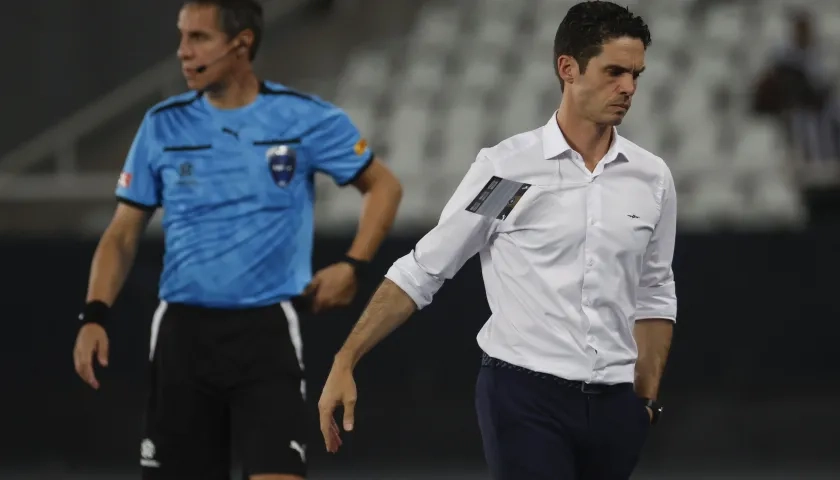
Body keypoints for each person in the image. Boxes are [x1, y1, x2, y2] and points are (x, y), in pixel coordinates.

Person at [317, 2, 676, 479]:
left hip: (616, 406)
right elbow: (425, 269)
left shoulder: (651, 177)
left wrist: (644, 402)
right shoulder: (510, 173)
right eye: (614, 72)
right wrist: (346, 358)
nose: (628, 88)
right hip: (525, 398)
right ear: (567, 68)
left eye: (636, 74)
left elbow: (654, 291)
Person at [71, 1, 403, 479]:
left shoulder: (303, 118)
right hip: (183, 338)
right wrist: (94, 314)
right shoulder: (162, 124)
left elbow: (384, 186)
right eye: (181, 37)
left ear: (242, 42)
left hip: (265, 335)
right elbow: (123, 233)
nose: (183, 52)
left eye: (198, 38)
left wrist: (354, 264)